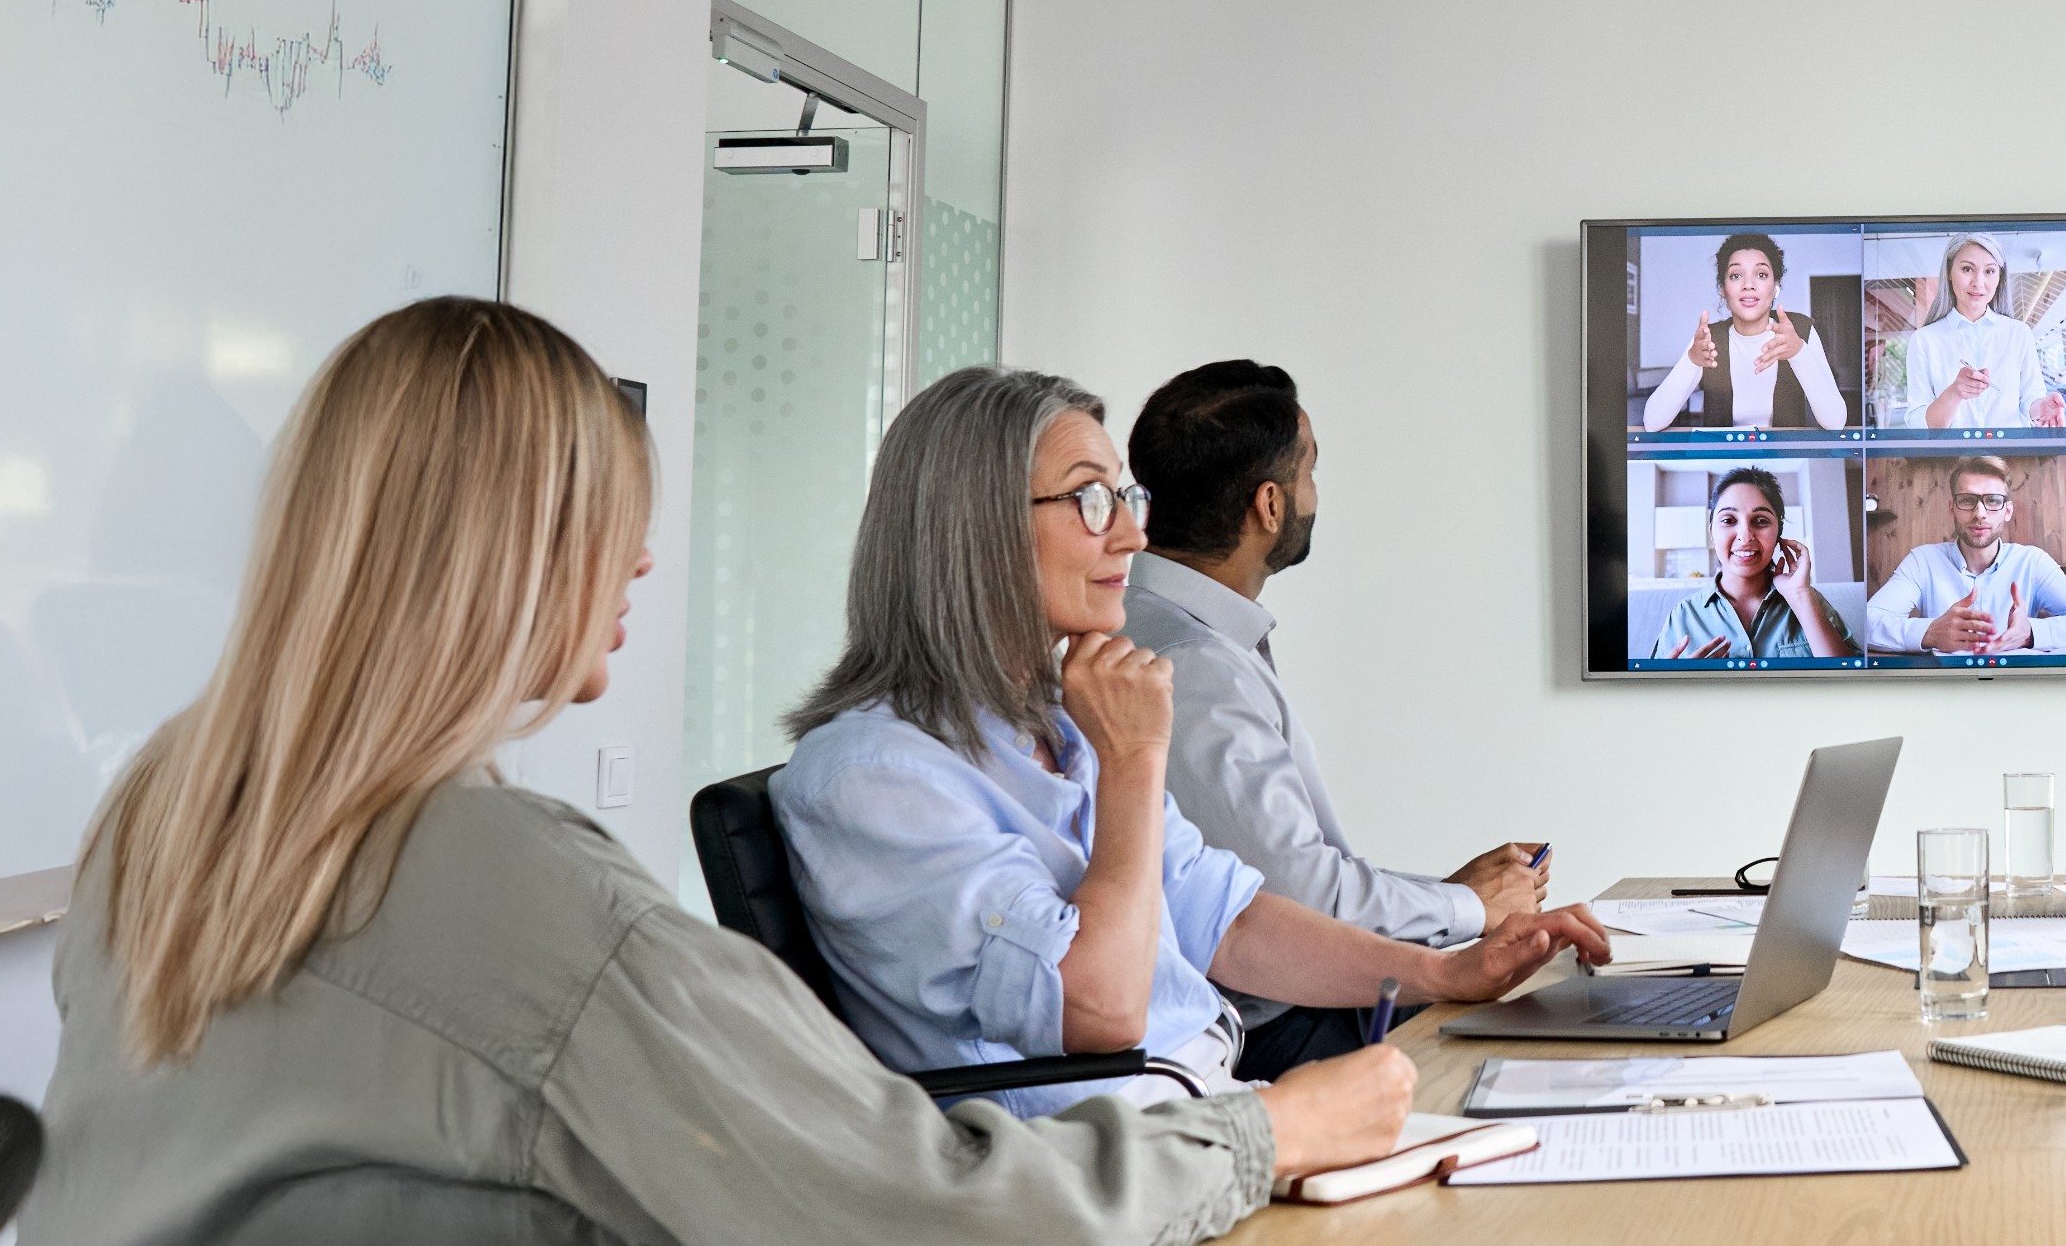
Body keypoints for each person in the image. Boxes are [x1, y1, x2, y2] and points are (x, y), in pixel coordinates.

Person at [28, 300, 1408, 1246]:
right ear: (506, 551)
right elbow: (908, 1208)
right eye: (615, 519)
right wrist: (1260, 1136)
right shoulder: (516, 885)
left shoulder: (162, 807)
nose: (639, 561)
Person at [777, 366, 1608, 1120]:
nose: (1132, 538)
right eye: (1089, 500)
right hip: (1107, 1172)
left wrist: (1446, 972)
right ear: (977, 530)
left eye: (1123, 499)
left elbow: (1229, 919)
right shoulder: (872, 776)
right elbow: (1100, 1009)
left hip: (1212, 1114)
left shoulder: (1057, 730)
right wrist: (1135, 761)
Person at [1119, 360, 1596, 1081]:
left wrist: (1449, 898)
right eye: (1311, 471)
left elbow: (1279, 871)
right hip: (1277, 1030)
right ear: (1270, 506)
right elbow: (1291, 895)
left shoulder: (1169, 630)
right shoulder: (1195, 669)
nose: (1317, 494)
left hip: (1288, 1004)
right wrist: (1465, 906)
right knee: (1553, 1037)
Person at [1862, 455, 2066, 655]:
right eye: (1967, 500)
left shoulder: (2032, 562)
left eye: (1993, 501)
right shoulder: (1922, 562)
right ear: (1951, 508)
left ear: (2007, 511)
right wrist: (1930, 633)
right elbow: (1868, 622)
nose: (1980, 513)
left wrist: (2030, 633)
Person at [1646, 466, 1860, 660]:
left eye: (1760, 521)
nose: (1745, 536)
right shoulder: (1683, 614)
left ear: (1779, 533)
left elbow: (1852, 685)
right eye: (1728, 520)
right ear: (1712, 533)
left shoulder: (1809, 600)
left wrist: (1801, 596)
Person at [1640, 233, 1848, 430]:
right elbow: (1652, 422)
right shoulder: (1709, 339)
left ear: (1776, 285)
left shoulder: (1800, 330)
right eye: (1736, 275)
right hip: (1724, 465)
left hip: (1786, 465)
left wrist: (1799, 353)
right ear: (1722, 288)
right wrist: (1692, 361)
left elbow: (1835, 422)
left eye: (1761, 274)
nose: (1749, 285)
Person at [1894, 233, 2066, 428]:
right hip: (1952, 457)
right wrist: (1954, 393)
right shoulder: (1924, 340)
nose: (1978, 282)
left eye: (1989, 271)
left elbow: (2030, 398)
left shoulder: (2019, 333)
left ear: (1999, 277)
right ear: (1949, 272)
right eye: (1967, 269)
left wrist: (2042, 407)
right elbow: (1918, 426)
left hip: (2011, 454)